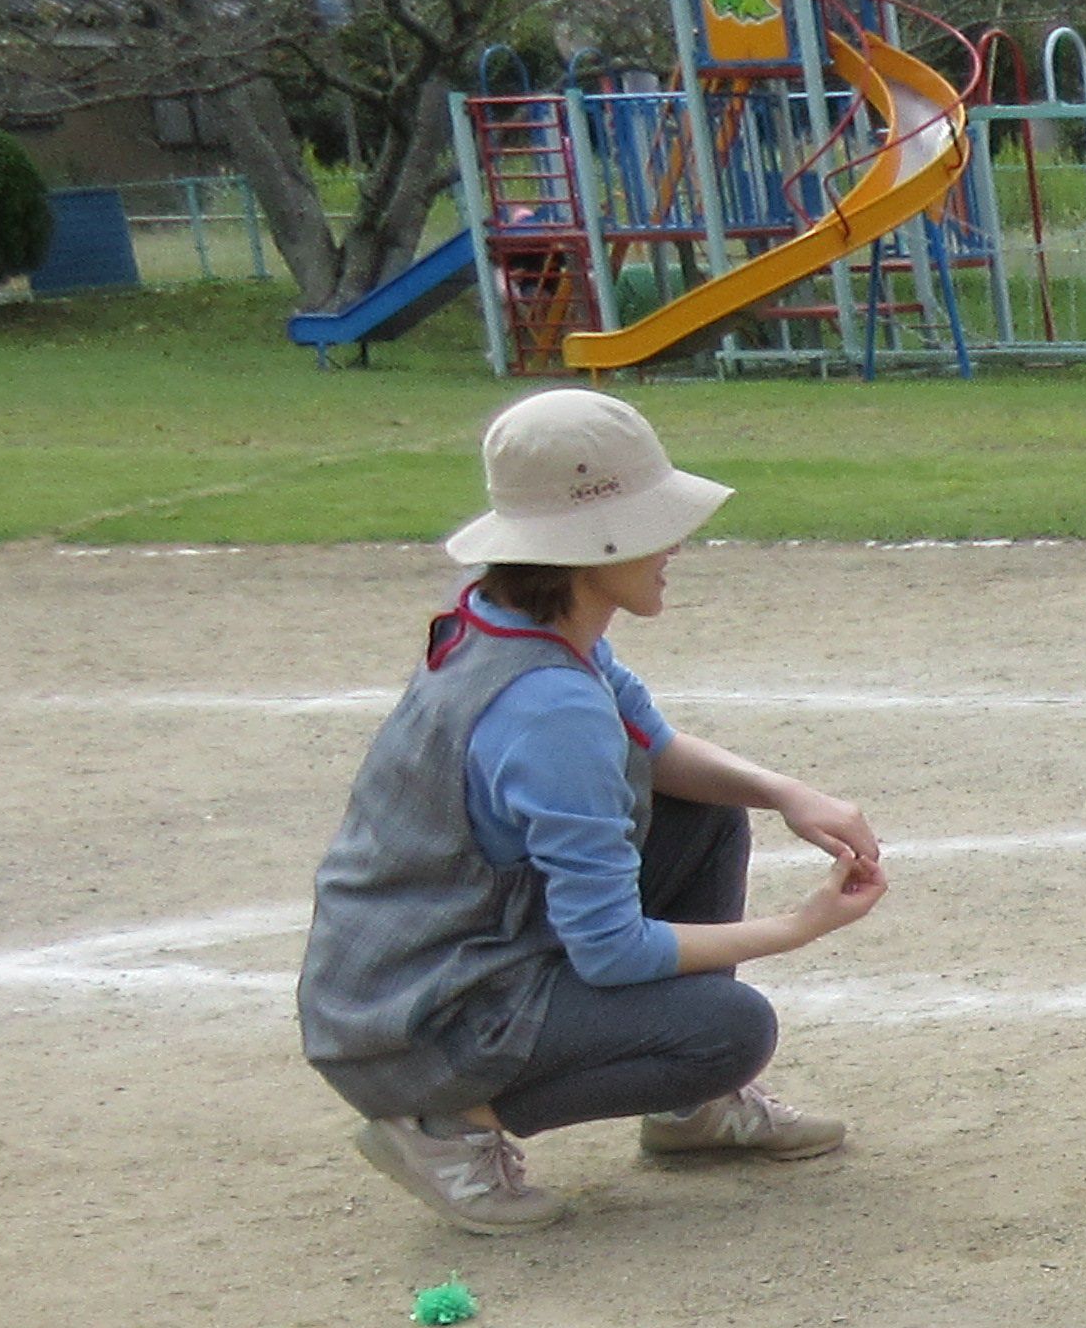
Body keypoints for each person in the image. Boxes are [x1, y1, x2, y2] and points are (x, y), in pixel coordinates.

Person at [300, 389, 889, 1236]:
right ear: (589, 547)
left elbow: (651, 748)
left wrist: (785, 792)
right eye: (653, 525)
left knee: (703, 811)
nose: (675, 544)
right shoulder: (549, 709)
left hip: (426, 968)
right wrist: (799, 926)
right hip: (416, 1023)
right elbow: (613, 952)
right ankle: (443, 1129)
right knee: (728, 1031)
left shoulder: (515, 624)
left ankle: (690, 1112)